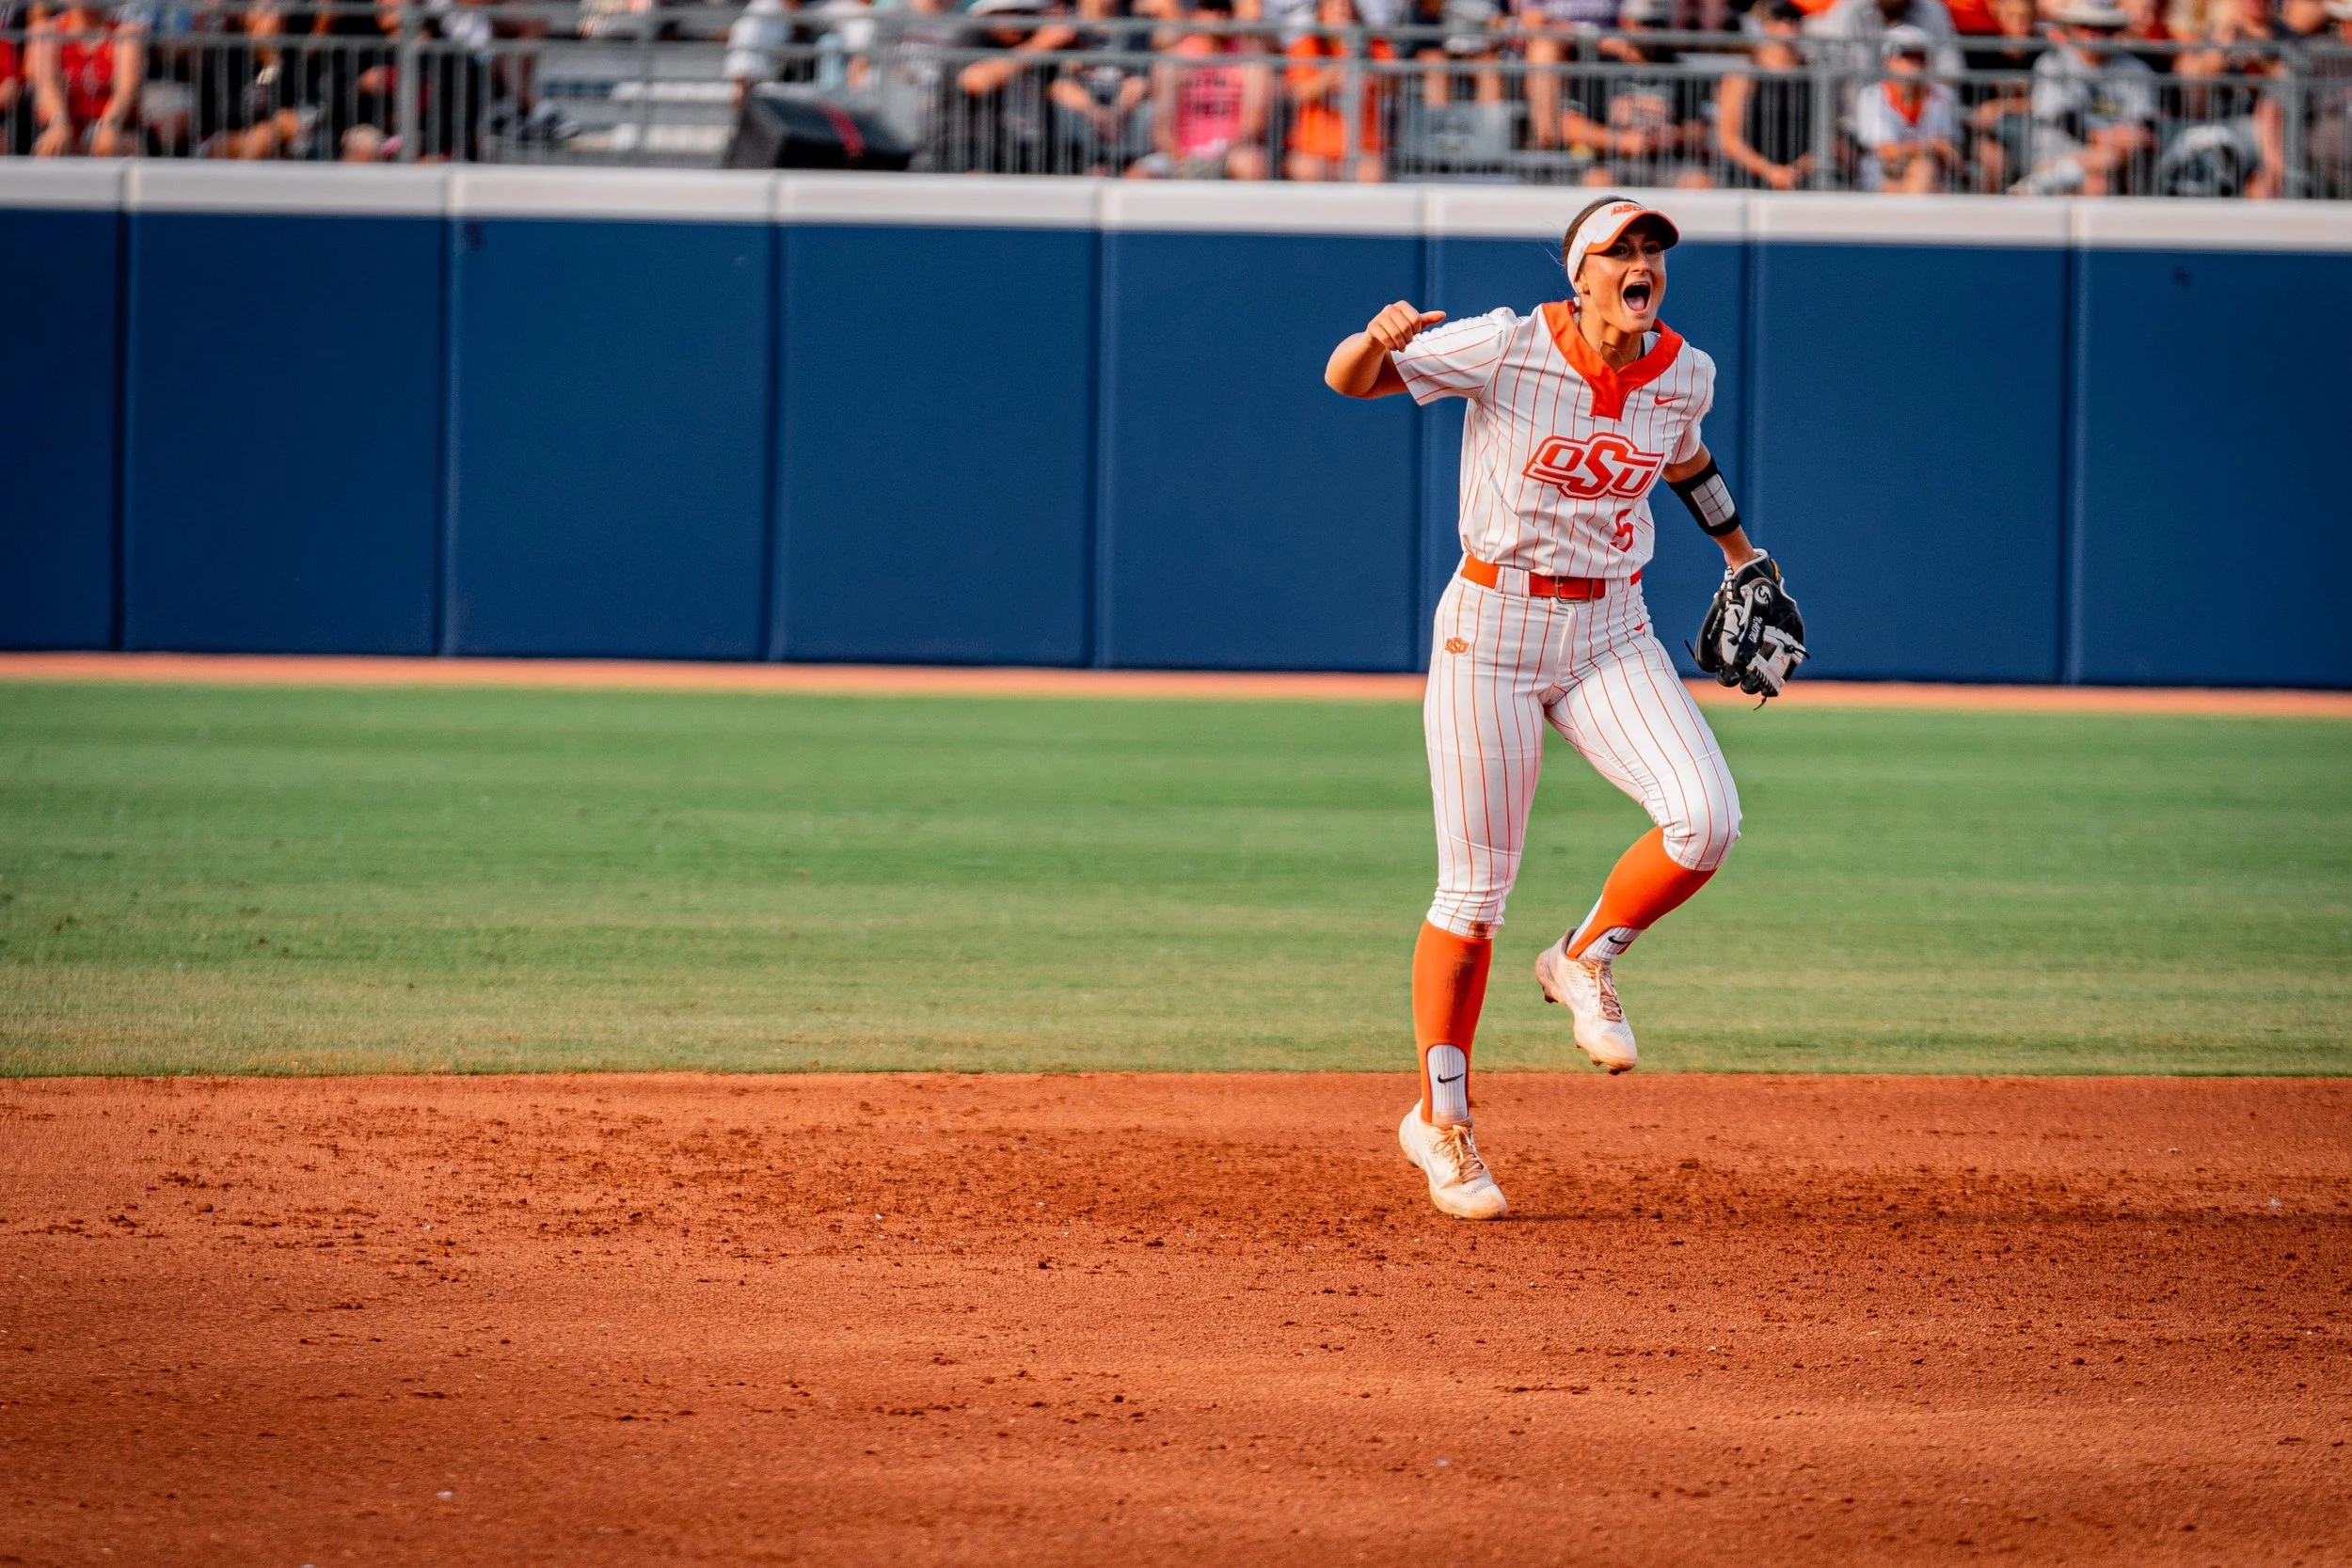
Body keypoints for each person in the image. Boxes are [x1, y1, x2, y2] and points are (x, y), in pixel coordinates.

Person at [1323, 198, 1806, 1222]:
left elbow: (1685, 459)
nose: (1642, 264)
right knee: (1473, 893)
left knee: (1706, 816)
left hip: (1609, 630)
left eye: (1653, 251)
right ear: (1579, 272)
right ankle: (1440, 1123)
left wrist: (1736, 552)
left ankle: (1582, 956)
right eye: (1621, 251)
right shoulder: (1501, 345)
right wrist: (1376, 337)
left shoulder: (1685, 368)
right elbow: (1348, 383)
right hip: (1490, 627)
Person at [1557, 0, 1714, 186]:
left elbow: (1701, 130)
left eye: (1659, 24)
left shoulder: (1681, 70)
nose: (1652, 32)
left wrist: (1674, 136)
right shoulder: (1599, 68)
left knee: (1700, 183)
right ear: (1626, 23)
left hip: (1668, 163)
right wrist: (1621, 141)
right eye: (1645, 24)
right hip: (1613, 162)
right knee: (1597, 181)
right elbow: (1569, 127)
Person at [2017, 0, 2154, 193]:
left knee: (2102, 174)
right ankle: (2056, 175)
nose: (2094, 34)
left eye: (2104, 28)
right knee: (2100, 173)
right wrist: (2105, 138)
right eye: (2084, 26)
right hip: (2057, 156)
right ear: (2070, 28)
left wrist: (2125, 139)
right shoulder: (2052, 63)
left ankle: (2040, 183)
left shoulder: (2135, 69)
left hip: (2120, 163)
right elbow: (2060, 117)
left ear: (2114, 31)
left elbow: (2144, 123)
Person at [1136, 0, 1268, 177]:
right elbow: (1162, 125)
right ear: (1194, 14)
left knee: (1251, 165)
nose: (1220, 16)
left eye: (1225, 9)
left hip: (1231, 152)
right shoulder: (1173, 60)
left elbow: (1254, 120)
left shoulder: (1251, 59)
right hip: (1181, 153)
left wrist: (1223, 154)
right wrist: (1180, 157)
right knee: (1140, 175)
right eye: (1210, 8)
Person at [952, 0, 1077, 172]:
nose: (1020, 20)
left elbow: (1059, 86)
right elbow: (975, 80)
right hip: (976, 149)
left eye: (1027, 13)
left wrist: (1098, 114)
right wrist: (1040, 45)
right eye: (1013, 12)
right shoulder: (975, 37)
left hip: (1032, 151)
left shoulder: (1035, 39)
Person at [1283, 0, 1393, 179]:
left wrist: (1367, 71)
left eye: (1345, 4)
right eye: (1333, 5)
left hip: (1364, 148)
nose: (1341, 9)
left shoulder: (1374, 44)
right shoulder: (1306, 45)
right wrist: (1331, 75)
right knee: (1307, 169)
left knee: (1372, 173)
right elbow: (1298, 92)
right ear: (1320, 13)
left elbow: (1394, 83)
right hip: (1314, 149)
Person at [1712, 0, 1817, 187]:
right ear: (1766, 24)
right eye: (1779, 18)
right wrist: (1770, 171)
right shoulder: (1744, 74)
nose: (1788, 24)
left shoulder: (1813, 74)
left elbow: (1826, 138)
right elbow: (1728, 138)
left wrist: (1794, 172)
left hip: (1801, 179)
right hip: (1747, 177)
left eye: (1795, 18)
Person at [1049, 0, 1156, 173]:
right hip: (1080, 125)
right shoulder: (1065, 24)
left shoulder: (1135, 23)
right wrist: (1097, 114)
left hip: (1122, 121)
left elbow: (1139, 80)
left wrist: (1116, 116)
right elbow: (1058, 83)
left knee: (1147, 109)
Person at [28, 0, 143, 155]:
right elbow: (47, 85)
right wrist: (59, 122)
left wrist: (109, 126)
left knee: (114, 145)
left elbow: (126, 89)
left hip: (114, 126)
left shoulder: (126, 33)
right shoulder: (47, 31)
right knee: (53, 144)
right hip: (64, 124)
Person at [1851, 22, 1960, 186]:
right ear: (1888, 61)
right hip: (1882, 178)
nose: (1911, 64)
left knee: (1924, 170)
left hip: (1932, 178)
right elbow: (1887, 151)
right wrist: (1929, 146)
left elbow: (1950, 153)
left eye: (1918, 57)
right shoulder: (1872, 96)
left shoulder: (1944, 95)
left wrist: (1926, 150)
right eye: (1904, 56)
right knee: (1921, 171)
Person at [1513, 0, 1617, 150]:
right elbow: (1532, 21)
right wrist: (1581, 34)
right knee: (1543, 49)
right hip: (1564, 52)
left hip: (1607, 58)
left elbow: (1632, 27)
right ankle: (1546, 141)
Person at [1963, 0, 2040, 189]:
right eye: (2012, 16)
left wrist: (2002, 106)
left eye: (2025, 17)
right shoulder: (1982, 53)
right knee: (1993, 159)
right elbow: (1973, 109)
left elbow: (2049, 102)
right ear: (1998, 15)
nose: (2019, 23)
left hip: (2034, 130)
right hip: (1989, 133)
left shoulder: (2043, 54)